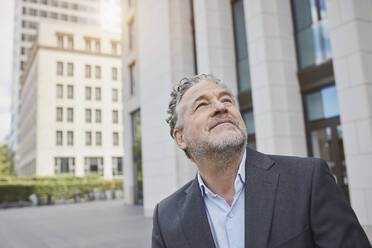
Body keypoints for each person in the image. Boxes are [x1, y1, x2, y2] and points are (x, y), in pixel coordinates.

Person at [152, 74, 370, 248]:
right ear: (181, 138)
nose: (221, 107)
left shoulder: (308, 180)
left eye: (227, 99)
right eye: (201, 105)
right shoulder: (166, 217)